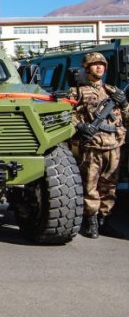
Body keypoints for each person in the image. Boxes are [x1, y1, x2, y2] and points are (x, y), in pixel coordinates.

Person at [69, 52, 128, 238]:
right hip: (91, 146)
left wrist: (125, 104)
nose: (99, 67)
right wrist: (79, 126)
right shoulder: (76, 92)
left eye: (102, 65)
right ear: (87, 68)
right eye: (95, 65)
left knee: (109, 186)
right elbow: (65, 115)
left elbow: (126, 118)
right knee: (90, 186)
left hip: (113, 145)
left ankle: (105, 220)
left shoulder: (113, 92)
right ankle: (91, 222)